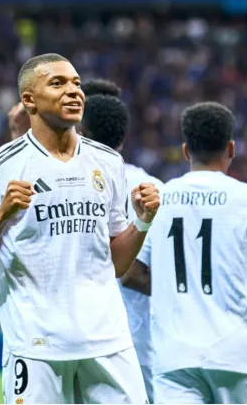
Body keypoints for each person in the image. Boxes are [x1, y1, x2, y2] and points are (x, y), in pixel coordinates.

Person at [0, 53, 160, 404]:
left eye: (77, 83)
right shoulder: (0, 167)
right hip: (37, 347)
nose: (74, 91)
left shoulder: (108, 162)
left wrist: (142, 220)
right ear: (29, 100)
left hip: (108, 342)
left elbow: (117, 265)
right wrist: (1, 216)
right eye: (58, 83)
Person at [122, 102, 247, 404]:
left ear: (185, 151)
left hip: (174, 357)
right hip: (237, 354)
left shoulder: (161, 198)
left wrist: (175, 289)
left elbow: (131, 275)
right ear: (231, 149)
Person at [78, 78, 163, 403]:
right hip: (139, 339)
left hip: (78, 338)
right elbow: (145, 273)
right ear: (124, 136)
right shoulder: (152, 187)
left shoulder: (62, 185)